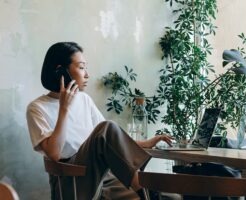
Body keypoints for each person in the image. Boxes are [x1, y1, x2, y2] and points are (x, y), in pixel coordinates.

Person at [26, 42, 172, 200]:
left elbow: (111, 143)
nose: (87, 74)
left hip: (103, 177)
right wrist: (64, 109)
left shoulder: (84, 100)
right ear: (61, 71)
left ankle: (147, 191)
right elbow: (54, 153)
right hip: (72, 181)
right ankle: (144, 190)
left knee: (169, 197)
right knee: (107, 127)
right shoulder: (37, 108)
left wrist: (146, 143)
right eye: (81, 67)